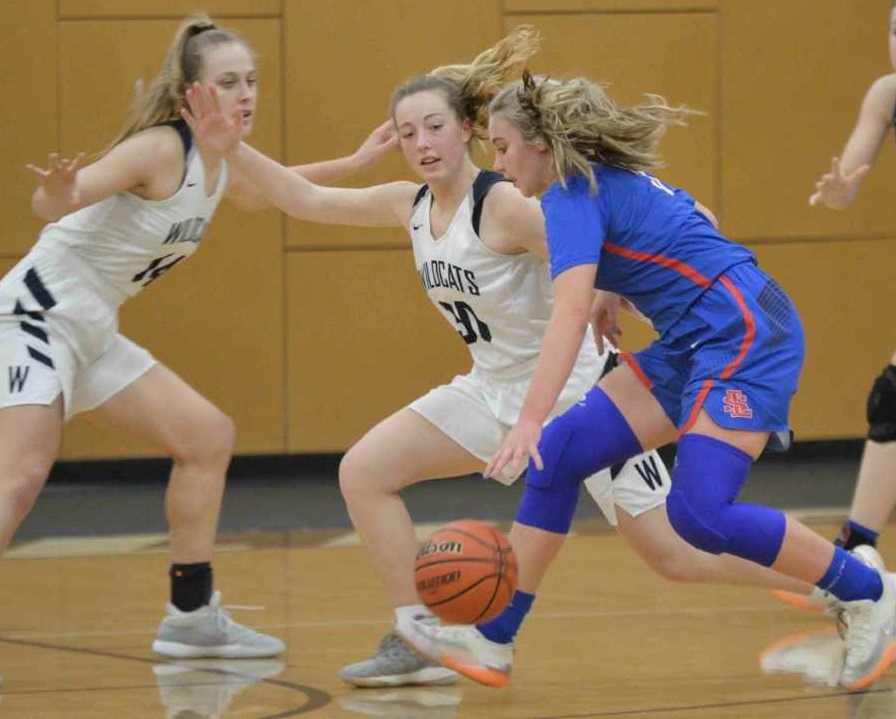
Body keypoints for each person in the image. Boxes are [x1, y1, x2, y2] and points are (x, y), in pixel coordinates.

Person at [183, 28, 837, 690]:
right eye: (407, 134)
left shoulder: (507, 204)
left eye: (434, 126)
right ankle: (421, 631)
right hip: (492, 390)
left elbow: (669, 219)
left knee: (678, 552)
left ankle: (835, 579)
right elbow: (303, 200)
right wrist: (233, 146)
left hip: (577, 392)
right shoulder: (408, 207)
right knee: (363, 471)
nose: (422, 144)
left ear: (466, 128)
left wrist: (610, 293)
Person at [399, 71, 896, 691]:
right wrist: (616, 285)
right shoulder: (598, 183)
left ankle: (870, 591)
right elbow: (700, 219)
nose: (495, 162)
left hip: (745, 333)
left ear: (541, 146)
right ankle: (493, 638)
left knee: (698, 516)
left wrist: (528, 418)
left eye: (502, 147)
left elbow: (568, 315)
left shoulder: (570, 195)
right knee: (560, 455)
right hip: (695, 337)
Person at [2, 13, 395, 660]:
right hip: (37, 314)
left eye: (252, 81)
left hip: (91, 329)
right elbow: (63, 200)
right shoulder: (161, 148)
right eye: (228, 82)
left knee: (205, 436)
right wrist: (58, 190)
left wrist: (354, 161)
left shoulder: (220, 162)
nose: (246, 94)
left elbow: (278, 192)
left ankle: (190, 616)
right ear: (191, 93)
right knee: (18, 476)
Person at [772, 0, 896, 614]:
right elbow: (852, 171)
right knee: (893, 398)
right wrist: (843, 188)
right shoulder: (887, 92)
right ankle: (857, 546)